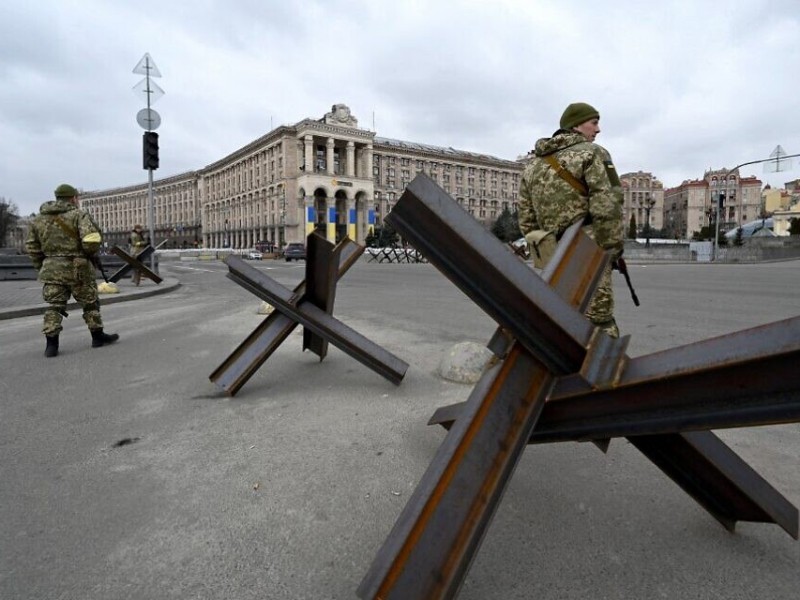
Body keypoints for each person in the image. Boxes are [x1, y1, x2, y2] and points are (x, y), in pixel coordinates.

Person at [518, 102, 624, 338]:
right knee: (599, 322)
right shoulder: (594, 153)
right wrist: (612, 250)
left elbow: (526, 220)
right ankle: (600, 372)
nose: (598, 130)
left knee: (560, 318)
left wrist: (545, 252)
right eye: (594, 123)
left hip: (552, 255)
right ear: (576, 125)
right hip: (588, 249)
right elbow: (607, 205)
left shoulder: (533, 166)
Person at [25, 184, 120, 357]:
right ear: (73, 198)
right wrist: (88, 255)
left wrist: (43, 266)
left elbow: (32, 247)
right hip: (78, 268)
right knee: (90, 303)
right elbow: (91, 240)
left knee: (54, 306)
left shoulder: (37, 220)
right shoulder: (79, 215)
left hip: (51, 268)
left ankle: (51, 345)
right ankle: (97, 337)